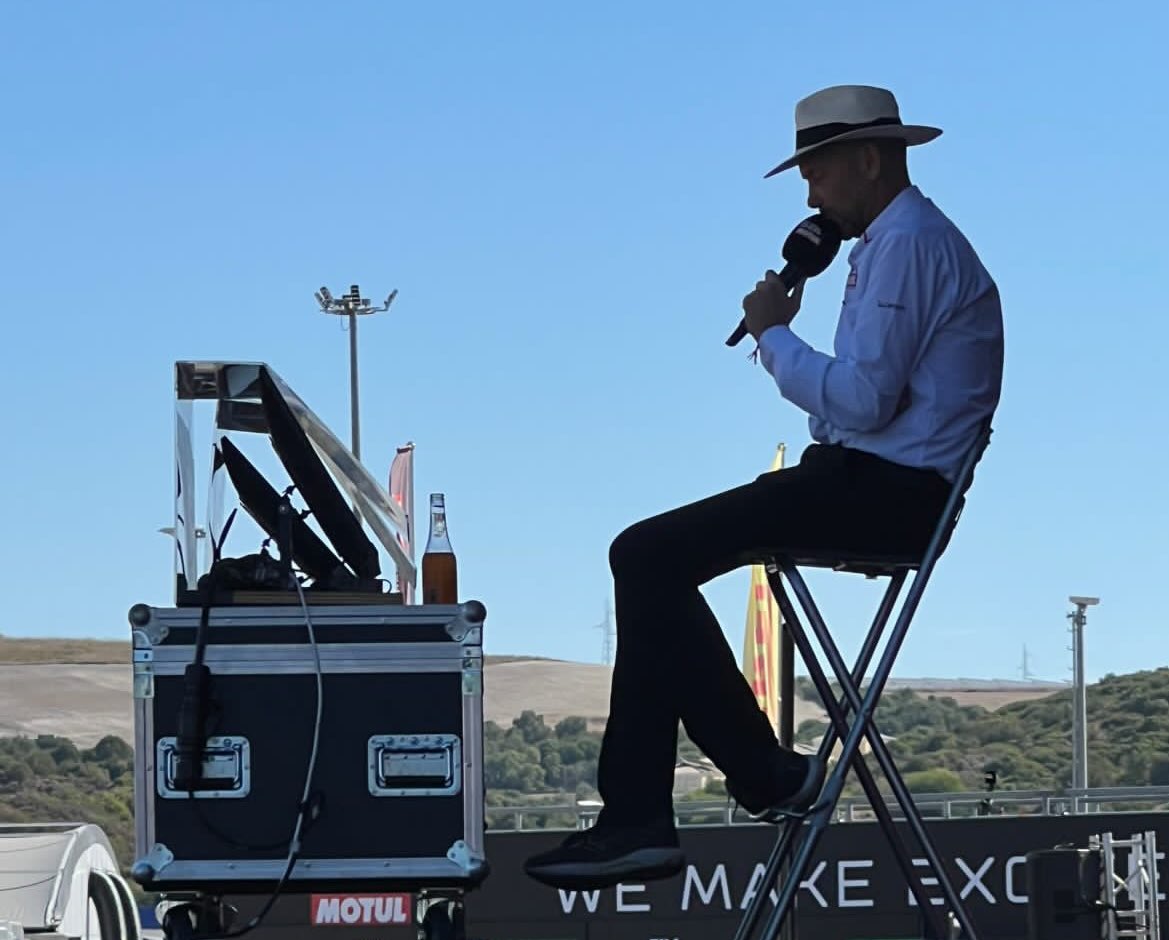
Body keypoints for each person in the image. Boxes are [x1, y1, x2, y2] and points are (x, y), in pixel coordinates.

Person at [524, 84, 1004, 890]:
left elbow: (860, 398)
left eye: (815, 172)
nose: (810, 194)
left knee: (644, 554)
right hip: (866, 478)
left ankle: (697, 797)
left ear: (866, 159)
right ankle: (707, 791)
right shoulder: (889, 246)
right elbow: (864, 402)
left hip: (888, 491)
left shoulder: (909, 244)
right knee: (649, 559)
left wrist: (776, 331)